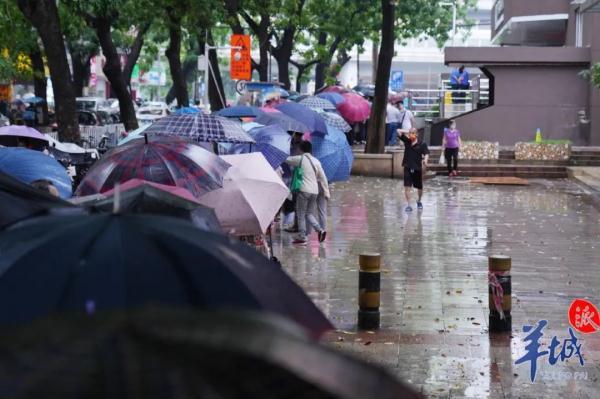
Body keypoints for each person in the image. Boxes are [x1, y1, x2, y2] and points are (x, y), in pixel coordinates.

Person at [286, 141, 329, 244]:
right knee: (309, 213)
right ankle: (320, 230)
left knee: (301, 214)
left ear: (301, 149)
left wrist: (286, 150)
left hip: (304, 190)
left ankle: (302, 237)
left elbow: (286, 159)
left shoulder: (299, 159)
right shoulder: (316, 161)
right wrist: (327, 192)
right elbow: (323, 178)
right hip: (314, 191)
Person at [398, 127, 429, 212]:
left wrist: (425, 160)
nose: (411, 134)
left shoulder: (422, 144)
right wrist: (408, 131)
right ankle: (408, 205)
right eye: (410, 133)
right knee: (407, 187)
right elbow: (398, 131)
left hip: (417, 168)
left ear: (417, 134)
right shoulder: (407, 141)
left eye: (413, 133)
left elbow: (426, 153)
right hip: (407, 167)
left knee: (419, 188)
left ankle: (419, 200)